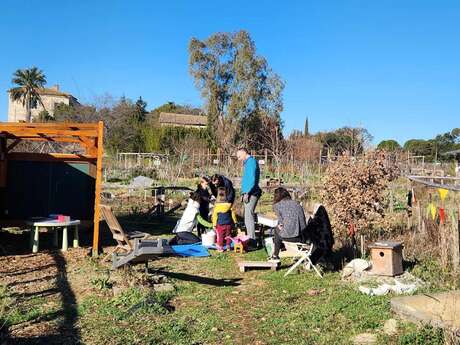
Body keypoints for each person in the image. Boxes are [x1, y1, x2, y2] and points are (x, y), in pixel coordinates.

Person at [269, 187, 306, 261]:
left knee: (276, 229)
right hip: (302, 237)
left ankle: (275, 255)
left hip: (288, 237)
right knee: (279, 230)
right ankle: (281, 249)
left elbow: (281, 224)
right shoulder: (297, 204)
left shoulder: (277, 206)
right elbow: (303, 223)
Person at [237, 147, 261, 243]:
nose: (238, 159)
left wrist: (247, 192)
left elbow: (252, 179)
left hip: (252, 193)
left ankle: (252, 239)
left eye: (239, 156)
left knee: (248, 216)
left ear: (244, 153)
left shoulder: (251, 162)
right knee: (247, 216)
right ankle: (250, 236)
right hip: (248, 192)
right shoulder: (248, 163)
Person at [212, 187, 237, 252]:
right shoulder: (229, 205)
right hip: (228, 223)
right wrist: (235, 221)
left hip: (220, 224)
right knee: (228, 235)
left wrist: (214, 224)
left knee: (220, 236)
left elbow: (214, 216)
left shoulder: (217, 206)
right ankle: (228, 246)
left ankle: (220, 247)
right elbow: (233, 214)